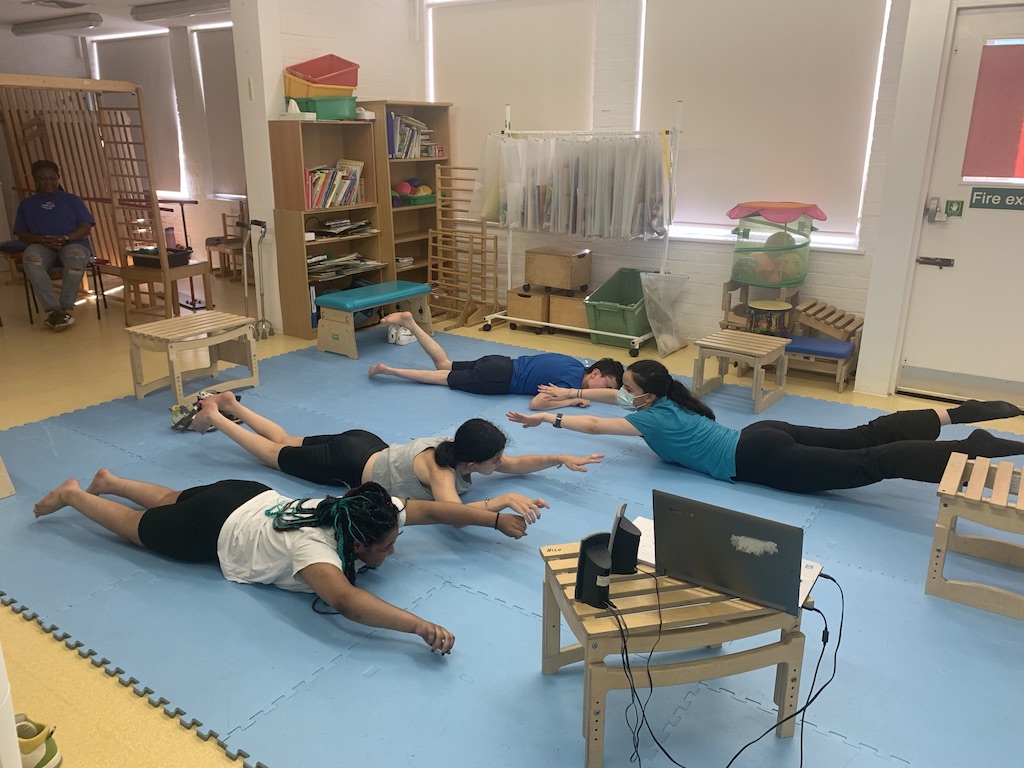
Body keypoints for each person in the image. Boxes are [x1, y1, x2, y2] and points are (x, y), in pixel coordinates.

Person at [34, 471, 543, 653]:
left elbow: (429, 509)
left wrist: (492, 520)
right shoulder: (316, 552)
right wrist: (417, 625)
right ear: (358, 546)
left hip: (244, 493)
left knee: (171, 495)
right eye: (387, 547)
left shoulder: (360, 513)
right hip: (214, 529)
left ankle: (114, 480)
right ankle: (79, 496)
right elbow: (347, 601)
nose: (394, 549)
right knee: (133, 530)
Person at [508, 359, 1024, 495]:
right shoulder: (673, 401)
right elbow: (605, 398)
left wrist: (549, 415)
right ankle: (953, 415)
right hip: (762, 435)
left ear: (641, 395)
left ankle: (970, 452)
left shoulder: (647, 421)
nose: (619, 393)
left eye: (626, 388)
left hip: (760, 460)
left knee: (872, 463)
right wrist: (570, 393)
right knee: (864, 435)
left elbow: (597, 425)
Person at [188, 392, 603, 519]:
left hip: (364, 442)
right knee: (269, 454)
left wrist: (559, 457)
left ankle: (233, 404)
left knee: (286, 440)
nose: (502, 465)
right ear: (472, 464)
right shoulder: (442, 473)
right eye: (495, 461)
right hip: (347, 462)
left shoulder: (457, 448)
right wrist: (504, 501)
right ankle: (219, 417)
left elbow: (514, 464)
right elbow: (454, 517)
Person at [367, 311, 624, 410]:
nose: (607, 392)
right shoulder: (570, 381)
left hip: (500, 361)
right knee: (442, 378)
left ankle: (410, 322)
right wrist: (572, 399)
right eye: (609, 386)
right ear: (596, 374)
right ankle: (390, 370)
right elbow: (536, 404)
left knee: (444, 365)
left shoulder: (573, 363)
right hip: (499, 379)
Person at [13, 160, 96, 332]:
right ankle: (54, 309)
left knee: (76, 259)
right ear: (35, 180)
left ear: (58, 178)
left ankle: (63, 308)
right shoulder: (27, 204)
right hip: (41, 245)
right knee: (31, 260)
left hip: (72, 243)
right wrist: (42, 240)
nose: (48, 182)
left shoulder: (72, 200)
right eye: (43, 179)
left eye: (52, 178)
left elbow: (86, 227)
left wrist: (65, 238)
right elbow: (21, 233)